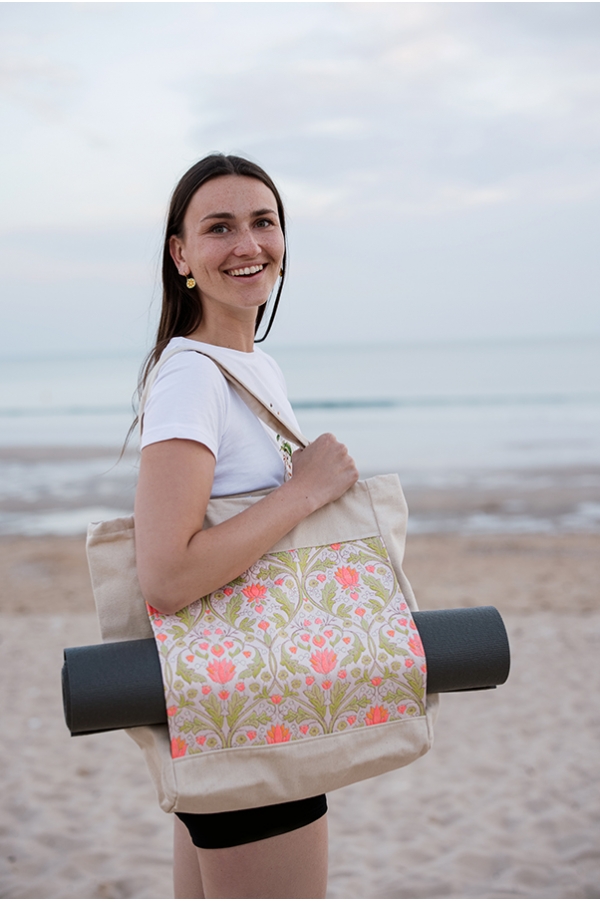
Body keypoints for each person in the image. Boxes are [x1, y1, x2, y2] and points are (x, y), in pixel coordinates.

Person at [133, 153, 358, 899]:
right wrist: (307, 491)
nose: (247, 244)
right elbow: (165, 575)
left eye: (263, 222)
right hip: (251, 704)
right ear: (181, 254)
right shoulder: (194, 374)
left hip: (240, 696)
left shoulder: (252, 366)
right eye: (219, 227)